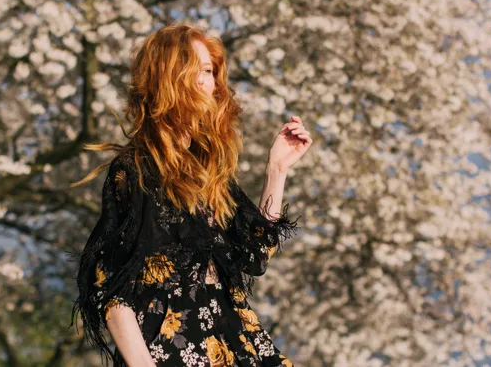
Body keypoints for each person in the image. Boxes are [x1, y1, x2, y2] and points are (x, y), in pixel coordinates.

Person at [68, 23, 312, 367]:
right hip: (172, 353)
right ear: (165, 80)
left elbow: (255, 256)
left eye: (209, 71)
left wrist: (277, 170)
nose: (204, 82)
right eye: (192, 70)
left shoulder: (209, 170)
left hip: (235, 345)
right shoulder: (137, 170)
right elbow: (112, 291)